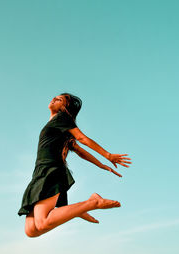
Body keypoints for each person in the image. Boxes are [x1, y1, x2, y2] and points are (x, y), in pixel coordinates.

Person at [18, 93, 131, 237]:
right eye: (55, 97)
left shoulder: (62, 118)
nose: (54, 99)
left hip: (51, 170)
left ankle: (93, 203)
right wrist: (100, 165)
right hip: (39, 173)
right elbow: (79, 150)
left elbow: (81, 138)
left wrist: (108, 156)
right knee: (31, 230)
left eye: (59, 100)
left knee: (42, 223)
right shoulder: (56, 126)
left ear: (64, 108)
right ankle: (78, 210)